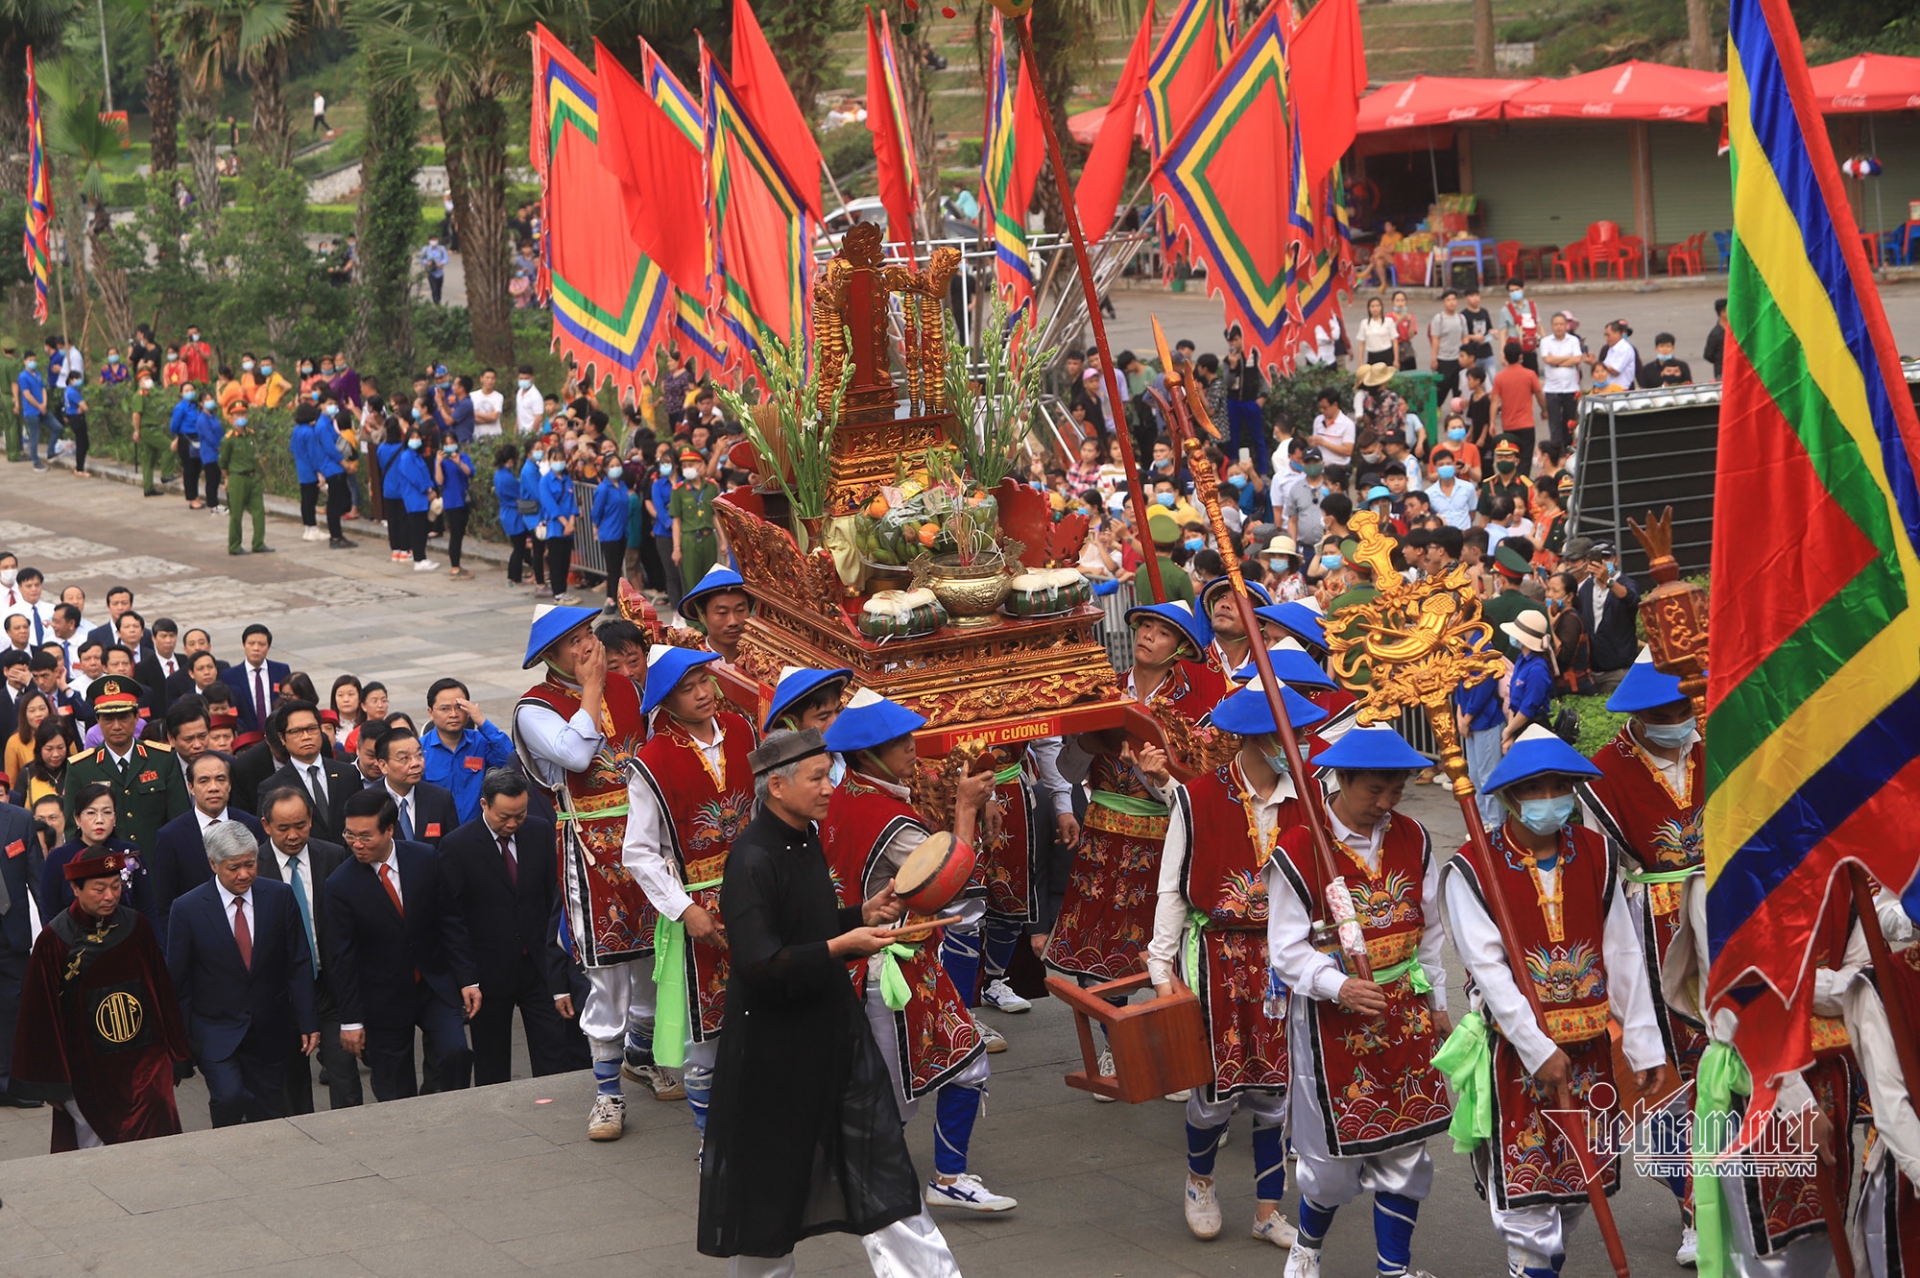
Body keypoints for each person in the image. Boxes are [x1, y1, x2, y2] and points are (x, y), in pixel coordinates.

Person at [696, 728, 964, 1276]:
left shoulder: (803, 836)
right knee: (768, 1202)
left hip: (831, 1036)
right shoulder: (751, 859)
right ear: (777, 786)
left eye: (829, 775)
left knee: (882, 1168)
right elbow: (759, 964)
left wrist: (859, 916)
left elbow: (809, 929)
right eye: (817, 778)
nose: (828, 789)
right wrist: (842, 946)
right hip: (773, 1054)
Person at [1439, 726, 1667, 1278]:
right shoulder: (1473, 867)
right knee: (1528, 1201)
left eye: (1561, 786)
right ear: (1512, 794)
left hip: (1589, 1052)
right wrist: (1538, 1047)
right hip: (1520, 1056)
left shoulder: (1596, 853)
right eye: (1537, 788)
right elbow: (1488, 971)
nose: (1550, 799)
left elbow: (1624, 952)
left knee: (1575, 1191)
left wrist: (1644, 1044)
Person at [1148, 673, 1327, 1247]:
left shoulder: (1311, 795)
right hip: (1218, 956)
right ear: (1253, 737)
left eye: (1299, 731)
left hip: (1286, 957)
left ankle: (1267, 1208)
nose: (1297, 740)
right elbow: (1172, 887)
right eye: (1288, 732)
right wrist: (1161, 967)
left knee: (1279, 1088)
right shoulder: (1195, 798)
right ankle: (1200, 1181)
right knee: (1215, 1090)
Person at [1267, 726, 1452, 1277]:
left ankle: (1393, 1269)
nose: (1386, 804)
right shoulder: (1301, 847)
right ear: (1341, 779)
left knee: (1407, 1141)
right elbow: (1284, 949)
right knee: (1328, 1155)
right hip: (1330, 1023)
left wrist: (1437, 999)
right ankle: (1308, 1244)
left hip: (1404, 1011)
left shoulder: (1414, 837)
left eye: (1395, 791)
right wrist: (1337, 984)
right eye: (1374, 790)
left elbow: (1432, 929)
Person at [821, 693, 1012, 1213]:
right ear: (867, 754)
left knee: (905, 1081)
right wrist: (967, 810)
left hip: (871, 964)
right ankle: (934, 1177)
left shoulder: (840, 795)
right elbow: (948, 880)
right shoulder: (893, 821)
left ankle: (891, 1173)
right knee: (948, 1071)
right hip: (892, 968)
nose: (911, 747)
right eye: (897, 742)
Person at [511, 606, 679, 1139]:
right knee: (607, 970)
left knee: (655, 953)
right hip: (591, 848)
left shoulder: (631, 688)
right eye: (573, 643)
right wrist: (589, 688)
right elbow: (577, 756)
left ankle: (642, 1055)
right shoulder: (533, 709)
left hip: (645, 840)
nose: (588, 647)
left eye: (588, 636)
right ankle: (607, 1093)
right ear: (550, 658)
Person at [1048, 602, 1222, 992]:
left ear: (1180, 648)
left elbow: (1194, 791)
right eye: (1145, 626)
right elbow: (1068, 771)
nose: (1148, 636)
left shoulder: (1190, 710)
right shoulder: (1103, 692)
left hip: (1158, 837)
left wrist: (1153, 774)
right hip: (1099, 832)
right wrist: (1086, 740)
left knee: (1151, 942)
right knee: (1091, 942)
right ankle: (1111, 1042)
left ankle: (1144, 1038)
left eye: (1162, 632)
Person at [624, 646, 757, 1137]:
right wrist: (684, 910)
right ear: (666, 699)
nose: (702, 692)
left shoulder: (742, 731)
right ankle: (710, 1140)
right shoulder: (652, 761)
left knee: (761, 1014)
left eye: (704, 679)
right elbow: (638, 852)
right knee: (707, 1030)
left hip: (754, 893)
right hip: (698, 904)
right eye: (687, 687)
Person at [10, 841, 191, 1151]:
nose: (110, 896)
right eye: (99, 889)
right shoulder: (54, 940)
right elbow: (40, 1016)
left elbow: (162, 992)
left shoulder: (137, 927)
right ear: (76, 889)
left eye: (115, 886)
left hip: (145, 1065)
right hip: (88, 1071)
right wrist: (52, 1080)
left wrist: (176, 1053)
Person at [325, 787, 478, 1101]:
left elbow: (450, 922)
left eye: (366, 836)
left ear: (389, 829)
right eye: (349, 834)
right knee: (394, 1084)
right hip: (382, 995)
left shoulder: (424, 858)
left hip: (432, 984)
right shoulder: (340, 885)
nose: (356, 843)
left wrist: (467, 979)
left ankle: (449, 1108)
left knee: (455, 1053)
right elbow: (342, 958)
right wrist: (351, 1020)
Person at [164, 818, 317, 1126]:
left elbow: (298, 962)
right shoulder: (188, 909)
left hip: (269, 1027)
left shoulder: (279, 897)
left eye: (250, 864)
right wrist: (181, 1046)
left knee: (270, 1111)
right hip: (215, 1030)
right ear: (213, 864)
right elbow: (178, 981)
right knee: (228, 1097)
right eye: (234, 867)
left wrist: (307, 1020)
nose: (244, 874)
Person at [438, 768, 581, 1083]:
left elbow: (552, 898)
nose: (513, 823)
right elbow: (453, 919)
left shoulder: (541, 831)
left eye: (520, 814)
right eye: (504, 817)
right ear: (484, 805)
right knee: (492, 1063)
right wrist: (467, 979)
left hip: (539, 967)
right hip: (488, 972)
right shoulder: (457, 846)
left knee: (554, 1054)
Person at [253, 783, 360, 1111]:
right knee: (291, 1084)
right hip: (282, 992)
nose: (293, 835)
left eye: (300, 825)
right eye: (283, 828)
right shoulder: (254, 866)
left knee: (344, 1074)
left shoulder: (332, 855)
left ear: (311, 819)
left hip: (329, 985)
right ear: (266, 825)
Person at [62, 674, 189, 864]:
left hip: (156, 868)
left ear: (137, 717)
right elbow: (73, 831)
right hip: (104, 872)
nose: (116, 726)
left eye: (123, 718)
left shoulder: (162, 759)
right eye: (108, 719)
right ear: (97, 720)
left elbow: (179, 821)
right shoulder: (80, 767)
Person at [150, 752, 268, 947]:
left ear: (229, 784)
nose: (213, 787)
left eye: (220, 779)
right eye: (204, 781)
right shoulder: (171, 836)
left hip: (251, 934)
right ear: (191, 787)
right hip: (199, 942)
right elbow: (165, 905)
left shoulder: (251, 825)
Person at [419, 678, 514, 826]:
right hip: (437, 834)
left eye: (459, 707)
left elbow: (510, 760)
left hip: (475, 831)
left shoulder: (480, 742)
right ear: (430, 712)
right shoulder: (419, 750)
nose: (453, 714)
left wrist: (481, 721)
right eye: (445, 709)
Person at [0, 793, 44, 1111]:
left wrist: (57, 932)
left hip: (11, 932)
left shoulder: (19, 819)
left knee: (13, 1009)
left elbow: (37, 880)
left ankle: (10, 1082)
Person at [264, 700, 361, 844]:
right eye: (296, 731)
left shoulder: (348, 773)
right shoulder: (272, 786)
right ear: (282, 738)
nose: (306, 736)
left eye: (312, 728)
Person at [371, 725, 457, 849]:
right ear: (383, 765)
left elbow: (453, 850)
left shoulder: (441, 799)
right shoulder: (369, 803)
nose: (415, 763)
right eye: (404, 758)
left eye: (419, 755)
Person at [1573, 539, 1640, 692]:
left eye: (1607, 558)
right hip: (1592, 671)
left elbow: (1632, 599)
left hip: (1619, 670)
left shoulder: (1626, 582)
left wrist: (1608, 581)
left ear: (1616, 560)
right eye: (1598, 559)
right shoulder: (1586, 588)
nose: (1602, 563)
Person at [218, 624, 290, 738]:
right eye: (251, 643)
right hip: (247, 736)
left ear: (268, 647)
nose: (256, 648)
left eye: (261, 644)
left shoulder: (281, 670)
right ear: (244, 645)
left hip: (277, 734)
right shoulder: (229, 676)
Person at [671, 449, 725, 598]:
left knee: (711, 580)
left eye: (691, 464)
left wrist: (723, 541)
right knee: (692, 582)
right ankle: (694, 620)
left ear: (700, 465)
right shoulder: (678, 490)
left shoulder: (711, 487)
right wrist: (676, 548)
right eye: (684, 466)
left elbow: (715, 516)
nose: (687, 468)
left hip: (708, 538)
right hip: (689, 539)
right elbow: (676, 521)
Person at [219, 409, 272, 556]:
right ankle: (235, 546)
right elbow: (223, 461)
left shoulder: (251, 435)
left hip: (252, 477)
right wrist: (227, 478)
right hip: (237, 478)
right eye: (237, 415)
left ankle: (258, 543)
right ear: (230, 419)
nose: (241, 418)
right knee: (236, 514)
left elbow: (255, 457)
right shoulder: (228, 439)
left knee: (259, 511)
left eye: (243, 414)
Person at [1221, 325, 1270, 474]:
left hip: (1251, 401)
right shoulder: (1227, 360)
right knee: (1233, 439)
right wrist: (1233, 366)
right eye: (1230, 341)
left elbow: (1265, 376)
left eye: (1236, 340)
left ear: (1242, 338)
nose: (1233, 344)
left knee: (1258, 438)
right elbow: (1227, 383)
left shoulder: (1255, 355)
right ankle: (1233, 471)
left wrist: (1263, 397)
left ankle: (1263, 471)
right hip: (1233, 402)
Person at [538, 444, 580, 603]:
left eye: (561, 459)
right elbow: (551, 506)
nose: (559, 462)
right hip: (555, 527)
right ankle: (557, 593)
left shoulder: (567, 479)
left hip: (569, 527)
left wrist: (571, 522)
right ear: (549, 461)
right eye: (556, 459)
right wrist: (564, 523)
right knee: (556, 560)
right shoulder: (545, 481)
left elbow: (572, 503)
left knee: (565, 560)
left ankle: (563, 591)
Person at [1536, 312, 1583, 453]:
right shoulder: (1545, 341)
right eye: (1556, 324)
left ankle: (1568, 452)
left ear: (1566, 325)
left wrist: (1557, 361)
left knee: (1569, 423)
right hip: (1552, 390)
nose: (1558, 327)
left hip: (1571, 389)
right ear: (1552, 326)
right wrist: (1567, 359)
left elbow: (1577, 359)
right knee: (1554, 425)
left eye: (1561, 324)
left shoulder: (1573, 340)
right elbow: (1547, 360)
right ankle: (1556, 453)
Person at [1542, 572, 1593, 696]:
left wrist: (1549, 626)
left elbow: (1563, 656)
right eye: (1548, 589)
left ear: (1569, 597)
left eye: (1555, 591)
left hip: (1573, 688)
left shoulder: (1571, 618)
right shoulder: (1560, 616)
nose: (1550, 595)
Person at [494, 444, 536, 587]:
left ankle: (513, 576)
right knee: (519, 548)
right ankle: (514, 577)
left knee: (518, 546)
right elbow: (519, 495)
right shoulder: (508, 478)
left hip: (507, 513)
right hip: (514, 514)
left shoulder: (499, 474)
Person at [591, 459, 631, 605]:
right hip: (609, 532)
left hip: (622, 531)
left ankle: (613, 596)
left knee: (617, 566)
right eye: (612, 466)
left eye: (617, 465)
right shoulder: (603, 488)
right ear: (606, 468)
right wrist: (597, 526)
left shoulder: (622, 485)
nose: (616, 468)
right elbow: (596, 511)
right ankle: (614, 598)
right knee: (612, 567)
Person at [436, 434, 475, 579]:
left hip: (464, 499)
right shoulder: (442, 461)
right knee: (455, 534)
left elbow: (470, 472)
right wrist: (438, 464)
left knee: (460, 533)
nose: (450, 445)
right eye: (447, 443)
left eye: (452, 442)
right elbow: (439, 481)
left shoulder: (463, 457)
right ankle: (455, 566)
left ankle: (457, 564)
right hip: (452, 501)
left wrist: (459, 463)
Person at [1584, 319, 1638, 394]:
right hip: (1609, 390)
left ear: (1618, 333)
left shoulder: (1624, 348)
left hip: (1620, 391)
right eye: (1605, 335)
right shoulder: (1611, 349)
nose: (1606, 338)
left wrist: (1594, 363)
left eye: (1608, 335)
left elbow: (1615, 371)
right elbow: (1605, 368)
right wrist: (1593, 363)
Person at [1427, 290, 1467, 389]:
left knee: (1459, 391)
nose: (1451, 302)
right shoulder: (1438, 318)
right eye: (1448, 300)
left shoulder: (1461, 318)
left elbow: (1465, 337)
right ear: (1444, 302)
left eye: (1454, 299)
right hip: (1443, 360)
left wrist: (1466, 355)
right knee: (1441, 390)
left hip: (1458, 360)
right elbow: (1435, 339)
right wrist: (1434, 359)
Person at [1502, 278, 1542, 371]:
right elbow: (1503, 332)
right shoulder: (1505, 310)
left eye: (1517, 290)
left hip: (1530, 348)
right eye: (1511, 291)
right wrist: (1502, 353)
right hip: (1514, 351)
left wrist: (1546, 342)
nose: (1514, 293)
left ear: (1523, 290)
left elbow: (1538, 325)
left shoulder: (1532, 306)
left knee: (1532, 376)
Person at [418, 235, 449, 306]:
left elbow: (446, 259)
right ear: (429, 241)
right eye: (432, 240)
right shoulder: (425, 249)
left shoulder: (442, 248)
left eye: (435, 240)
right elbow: (421, 259)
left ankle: (438, 301)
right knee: (434, 288)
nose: (434, 242)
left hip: (440, 272)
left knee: (439, 289)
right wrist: (427, 262)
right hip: (431, 272)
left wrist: (442, 263)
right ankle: (436, 303)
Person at [1702, 297, 1727, 381]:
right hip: (1722, 372)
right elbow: (1708, 355)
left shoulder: (1735, 331)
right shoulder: (1715, 334)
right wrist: (1719, 361)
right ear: (1722, 313)